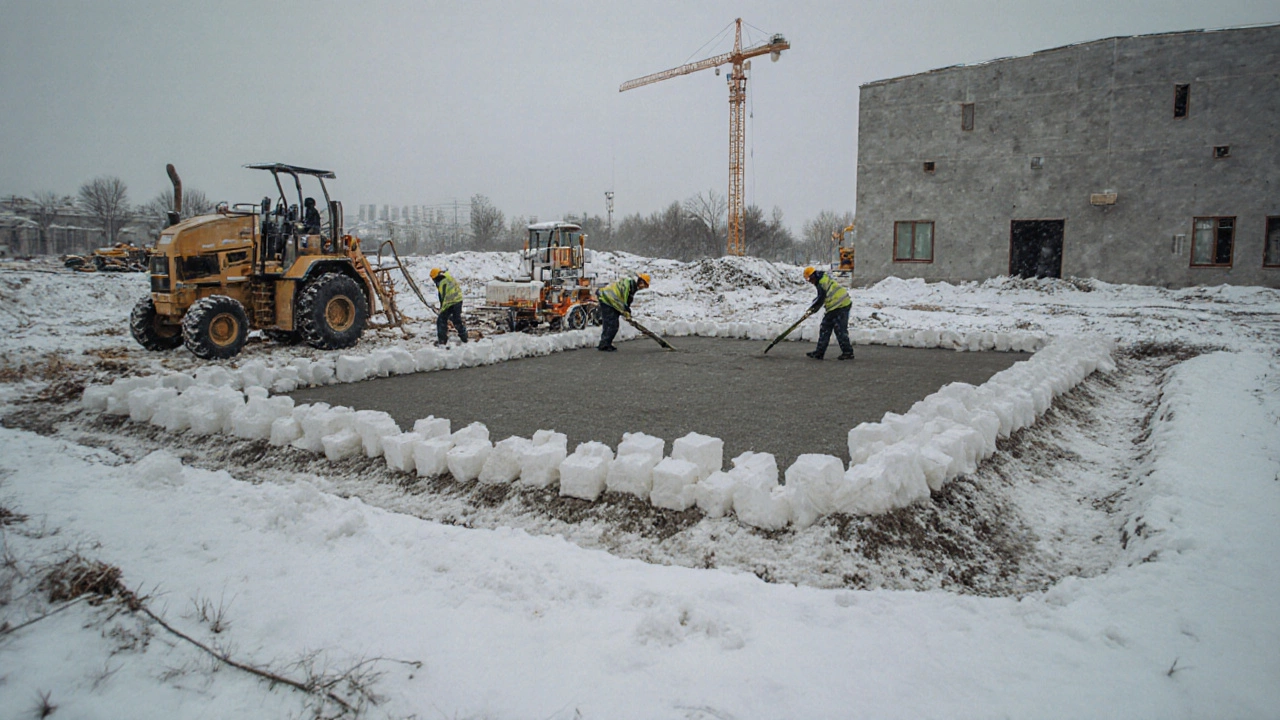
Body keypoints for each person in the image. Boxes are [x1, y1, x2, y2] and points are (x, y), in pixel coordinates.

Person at [803, 266, 855, 360]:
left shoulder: (821, 282)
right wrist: (812, 307)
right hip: (835, 306)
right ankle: (819, 352)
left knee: (839, 329)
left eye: (809, 279)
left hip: (841, 305)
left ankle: (848, 352)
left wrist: (812, 310)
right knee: (825, 327)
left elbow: (820, 299)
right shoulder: (822, 278)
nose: (810, 281)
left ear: (812, 276)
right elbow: (821, 297)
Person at [595, 272, 650, 351]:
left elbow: (625, 302)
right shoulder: (631, 286)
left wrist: (626, 313)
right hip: (608, 300)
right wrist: (626, 313)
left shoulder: (630, 284)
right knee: (612, 325)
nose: (643, 288)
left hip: (607, 299)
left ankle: (604, 343)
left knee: (608, 324)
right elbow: (625, 302)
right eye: (644, 285)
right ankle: (605, 344)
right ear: (641, 282)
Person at [430, 267, 468, 346]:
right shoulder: (449, 278)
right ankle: (464, 337)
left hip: (450, 302)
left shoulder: (442, 283)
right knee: (456, 320)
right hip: (458, 300)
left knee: (441, 320)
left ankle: (442, 341)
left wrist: (442, 309)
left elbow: (442, 298)